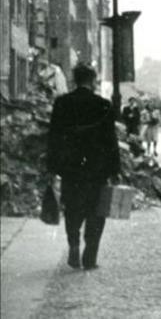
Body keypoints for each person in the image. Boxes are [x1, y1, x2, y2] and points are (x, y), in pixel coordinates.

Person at [47, 63, 119, 270]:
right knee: (96, 212)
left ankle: (74, 244)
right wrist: (115, 170)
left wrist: (52, 167)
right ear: (93, 80)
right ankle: (89, 256)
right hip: (97, 168)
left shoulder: (62, 103)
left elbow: (53, 137)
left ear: (74, 80)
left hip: (71, 168)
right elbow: (111, 141)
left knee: (72, 209)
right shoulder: (103, 104)